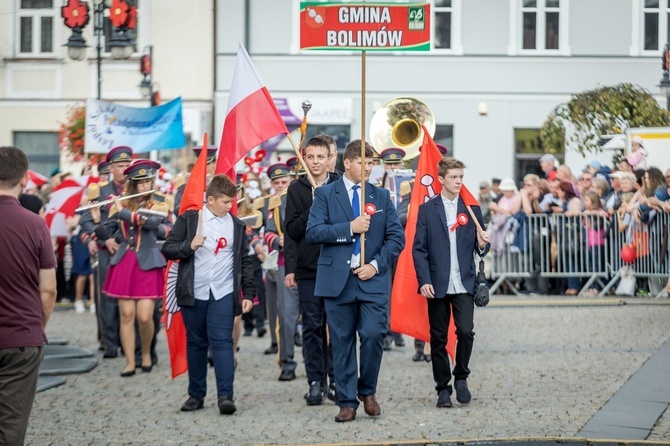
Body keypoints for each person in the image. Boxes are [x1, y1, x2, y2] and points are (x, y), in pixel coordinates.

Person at [306, 139, 405, 422]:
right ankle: (347, 401)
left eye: (371, 162)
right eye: (362, 162)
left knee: (374, 335)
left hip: (372, 280)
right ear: (346, 163)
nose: (368, 167)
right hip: (338, 279)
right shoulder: (325, 194)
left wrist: (375, 265)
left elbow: (396, 238)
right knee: (342, 341)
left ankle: (368, 390)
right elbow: (313, 232)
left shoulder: (381, 197)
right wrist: (349, 228)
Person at [161, 174, 255, 415]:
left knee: (223, 342)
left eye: (231, 202)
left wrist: (249, 292)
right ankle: (196, 394)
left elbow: (245, 260)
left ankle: (226, 395)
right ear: (210, 199)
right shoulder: (191, 219)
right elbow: (168, 247)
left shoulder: (236, 224)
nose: (229, 206)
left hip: (223, 291)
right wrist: (188, 246)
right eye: (225, 202)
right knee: (196, 342)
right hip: (195, 290)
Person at [412, 157, 490, 408]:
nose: (458, 182)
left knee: (466, 331)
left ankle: (461, 377)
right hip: (437, 282)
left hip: (464, 281)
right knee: (438, 337)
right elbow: (419, 249)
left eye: (461, 178)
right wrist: (423, 279)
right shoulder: (428, 209)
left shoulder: (471, 209)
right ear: (441, 179)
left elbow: (481, 249)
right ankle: (442, 388)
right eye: (454, 177)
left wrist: (482, 243)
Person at [0, 146, 57, 445]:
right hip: (21, 337)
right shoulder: (35, 224)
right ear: (24, 179)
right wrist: (38, 327)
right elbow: (48, 290)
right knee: (11, 426)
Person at [102, 160, 172, 376]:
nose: (144, 186)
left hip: (149, 261)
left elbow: (156, 225)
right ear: (133, 184)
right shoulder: (121, 201)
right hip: (125, 261)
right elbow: (106, 227)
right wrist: (106, 234)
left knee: (145, 317)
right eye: (140, 182)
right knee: (126, 314)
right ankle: (130, 361)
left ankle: (146, 354)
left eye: (148, 181)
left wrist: (123, 211)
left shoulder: (160, 202)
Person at [285, 135, 341, 405]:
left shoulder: (341, 184)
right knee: (312, 327)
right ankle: (315, 381)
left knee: (337, 327)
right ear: (304, 158)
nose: (316, 162)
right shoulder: (296, 189)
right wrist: (314, 204)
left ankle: (337, 379)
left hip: (337, 266)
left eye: (321, 157)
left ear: (329, 158)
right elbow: (292, 230)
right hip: (309, 269)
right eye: (311, 157)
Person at [79, 145, 132, 358]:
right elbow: (85, 219)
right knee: (107, 298)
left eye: (127, 165)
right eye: (120, 166)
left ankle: (134, 343)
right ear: (111, 167)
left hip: (131, 250)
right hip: (106, 250)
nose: (124, 169)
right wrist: (101, 238)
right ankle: (110, 343)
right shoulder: (100, 191)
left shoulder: (136, 190)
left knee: (132, 297)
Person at [263, 163, 300, 381]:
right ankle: (287, 363)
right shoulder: (275, 202)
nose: (280, 186)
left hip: (312, 263)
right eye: (277, 183)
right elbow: (268, 231)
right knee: (286, 316)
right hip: (286, 261)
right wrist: (277, 240)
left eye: (284, 182)